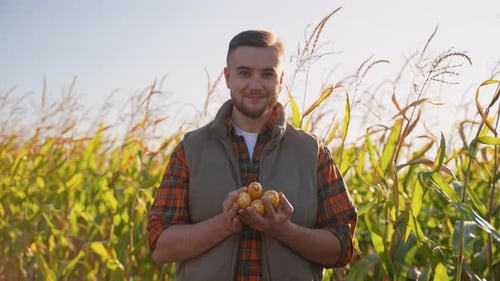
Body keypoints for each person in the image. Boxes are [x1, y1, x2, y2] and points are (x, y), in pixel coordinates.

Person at [148, 29, 358, 281]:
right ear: (227, 77)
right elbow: (160, 246)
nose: (255, 85)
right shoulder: (191, 150)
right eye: (244, 73)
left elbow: (343, 248)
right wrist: (223, 225)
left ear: (281, 79)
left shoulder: (313, 153)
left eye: (267, 74)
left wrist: (284, 230)